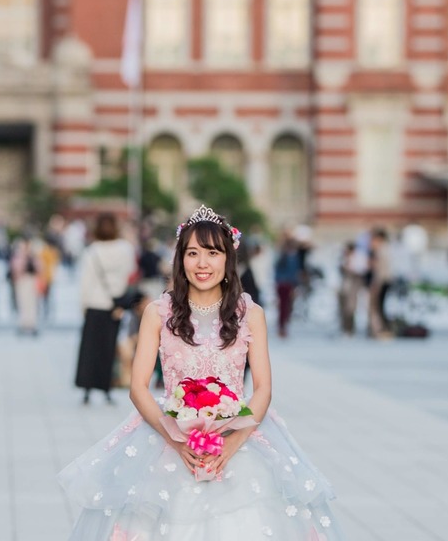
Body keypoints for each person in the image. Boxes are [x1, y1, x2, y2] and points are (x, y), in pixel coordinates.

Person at [58, 206, 341, 539]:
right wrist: (176, 442)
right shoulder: (157, 312)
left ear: (228, 259)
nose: (202, 263)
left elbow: (263, 388)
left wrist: (234, 443)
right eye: (192, 253)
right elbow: (138, 386)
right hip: (169, 436)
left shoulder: (250, 314)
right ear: (181, 259)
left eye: (212, 252)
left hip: (237, 438)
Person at [74, 212, 136, 405]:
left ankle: (87, 389)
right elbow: (131, 273)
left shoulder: (92, 251)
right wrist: (123, 302)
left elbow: (86, 281)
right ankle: (106, 387)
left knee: (90, 348)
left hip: (95, 303)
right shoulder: (126, 249)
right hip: (115, 305)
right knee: (108, 349)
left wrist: (83, 305)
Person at [272, 236, 300, 338]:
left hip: (288, 284)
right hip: (284, 283)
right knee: (283, 306)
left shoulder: (292, 256)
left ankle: (283, 325)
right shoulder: (286, 257)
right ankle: (281, 326)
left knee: (287, 306)